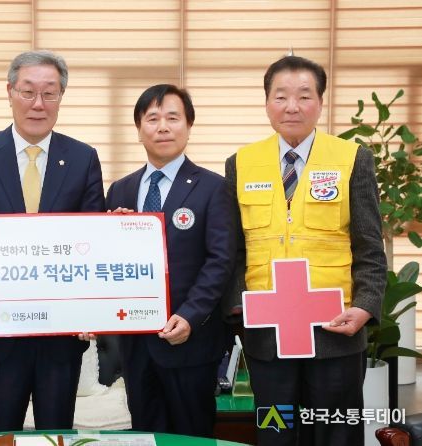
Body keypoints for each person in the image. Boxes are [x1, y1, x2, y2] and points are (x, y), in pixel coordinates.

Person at [0, 50, 105, 432]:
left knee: (56, 435)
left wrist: (93, 306)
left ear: (61, 97)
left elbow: (94, 239)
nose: (38, 103)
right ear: (10, 92)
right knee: (1, 434)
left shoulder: (83, 158)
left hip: (61, 334)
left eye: (49, 93)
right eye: (28, 91)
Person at [224, 55, 387, 445]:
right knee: (276, 431)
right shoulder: (241, 163)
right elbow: (233, 249)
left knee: (335, 434)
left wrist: (365, 305)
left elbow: (369, 245)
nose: (292, 107)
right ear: (267, 103)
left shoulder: (352, 159)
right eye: (281, 96)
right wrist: (238, 307)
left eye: (304, 96)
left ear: (321, 102)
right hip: (267, 334)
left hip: (336, 330)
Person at [105, 84, 236, 436]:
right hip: (135, 343)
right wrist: (111, 232)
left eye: (173, 118)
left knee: (191, 435)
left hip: (190, 341)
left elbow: (220, 260)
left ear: (189, 126)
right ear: (139, 130)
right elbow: (109, 261)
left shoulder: (213, 187)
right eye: (152, 119)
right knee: (145, 434)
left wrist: (190, 316)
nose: (162, 127)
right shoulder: (120, 189)